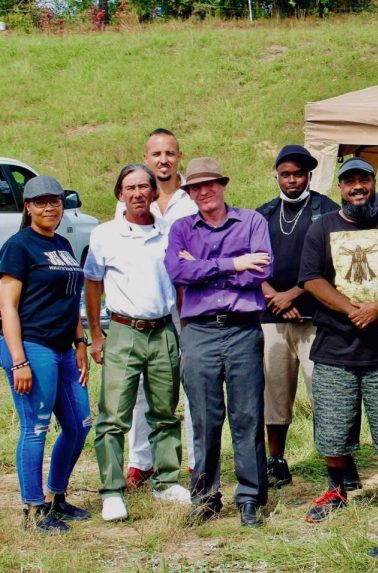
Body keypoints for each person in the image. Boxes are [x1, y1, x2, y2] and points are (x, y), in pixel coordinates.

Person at [299, 158, 378, 522]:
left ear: (373, 182)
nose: (357, 187)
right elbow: (310, 278)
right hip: (336, 346)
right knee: (333, 423)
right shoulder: (321, 229)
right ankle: (336, 488)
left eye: (363, 180)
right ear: (340, 187)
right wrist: (351, 309)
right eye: (349, 181)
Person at [164, 157, 272, 527]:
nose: (204, 191)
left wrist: (205, 268)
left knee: (247, 415)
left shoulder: (252, 221)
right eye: (195, 187)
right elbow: (178, 272)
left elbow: (262, 271)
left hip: (242, 327)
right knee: (205, 417)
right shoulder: (181, 228)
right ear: (189, 193)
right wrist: (233, 264)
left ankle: (251, 498)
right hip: (199, 331)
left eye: (210, 184)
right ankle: (206, 498)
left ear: (223, 185)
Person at [85, 165, 190, 522]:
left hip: (162, 330)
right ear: (120, 194)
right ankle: (112, 491)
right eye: (130, 188)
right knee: (113, 415)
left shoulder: (170, 233)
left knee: (164, 410)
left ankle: (166, 480)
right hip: (123, 329)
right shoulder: (104, 235)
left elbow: (179, 281)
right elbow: (92, 282)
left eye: (144, 186)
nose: (138, 193)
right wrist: (97, 335)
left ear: (153, 192)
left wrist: (180, 327)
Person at [0, 176, 91, 533]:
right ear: (28, 207)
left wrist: (80, 342)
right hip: (32, 346)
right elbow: (7, 307)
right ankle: (34, 509)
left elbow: (70, 301)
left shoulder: (65, 243)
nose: (49, 208)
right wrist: (19, 359)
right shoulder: (18, 247)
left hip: (64, 349)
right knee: (36, 427)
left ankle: (57, 496)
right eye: (40, 202)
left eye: (54, 201)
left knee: (80, 424)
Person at [117, 128, 198, 489]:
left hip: (188, 307)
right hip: (145, 307)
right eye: (156, 154)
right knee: (139, 391)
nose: (163, 160)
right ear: (146, 158)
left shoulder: (193, 197)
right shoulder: (132, 197)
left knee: (193, 384)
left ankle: (197, 461)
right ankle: (141, 461)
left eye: (170, 153)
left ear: (179, 156)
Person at [255, 145, 340, 490]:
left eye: (299, 174)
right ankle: (276, 460)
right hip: (271, 317)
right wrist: (274, 296)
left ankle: (337, 462)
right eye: (286, 173)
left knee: (324, 392)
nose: (292, 179)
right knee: (274, 395)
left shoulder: (327, 211)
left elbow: (336, 263)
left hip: (316, 318)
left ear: (309, 176)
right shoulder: (262, 214)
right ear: (276, 174)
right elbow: (249, 261)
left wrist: (295, 293)